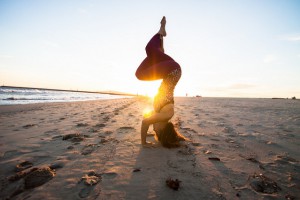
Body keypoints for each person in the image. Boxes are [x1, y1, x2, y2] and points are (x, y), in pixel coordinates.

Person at [135, 16, 186, 148]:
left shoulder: (160, 115)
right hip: (173, 71)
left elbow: (148, 120)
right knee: (146, 58)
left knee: (148, 59)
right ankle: (160, 33)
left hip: (170, 71)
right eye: (156, 131)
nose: (154, 129)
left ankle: (160, 45)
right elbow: (145, 122)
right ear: (163, 130)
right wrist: (143, 143)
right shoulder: (166, 114)